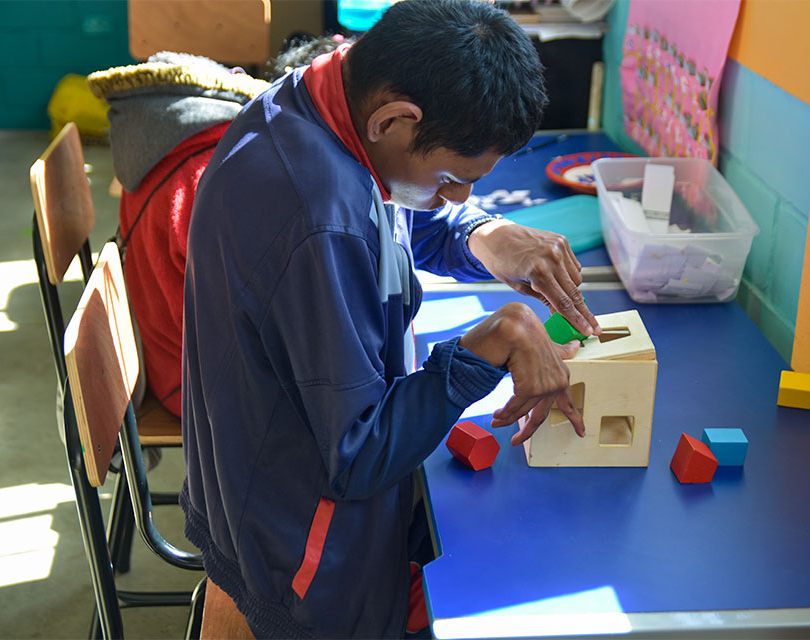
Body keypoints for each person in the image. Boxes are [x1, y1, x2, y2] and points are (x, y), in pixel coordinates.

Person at [181, 1, 601, 637]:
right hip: (305, 555)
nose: (458, 195)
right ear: (395, 119)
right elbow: (357, 455)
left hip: (257, 486)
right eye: (453, 178)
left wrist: (482, 233)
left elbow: (395, 212)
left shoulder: (325, 100)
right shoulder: (318, 217)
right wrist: (488, 345)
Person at [87, 38, 346, 417]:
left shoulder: (168, 142)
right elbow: (246, 333)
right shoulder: (220, 171)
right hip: (201, 391)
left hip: (173, 360)